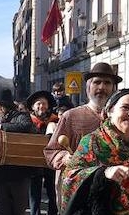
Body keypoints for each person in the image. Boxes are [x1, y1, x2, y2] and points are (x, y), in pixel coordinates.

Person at [44, 62, 121, 206]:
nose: (102, 87)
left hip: (112, 191)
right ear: (88, 87)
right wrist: (66, 157)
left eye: (107, 83)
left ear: (114, 88)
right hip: (78, 190)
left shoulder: (120, 118)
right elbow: (51, 151)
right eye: (97, 82)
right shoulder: (71, 116)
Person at [26, 91, 59, 215]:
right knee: (35, 196)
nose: (41, 106)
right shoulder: (27, 122)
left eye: (44, 103)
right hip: (33, 161)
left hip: (51, 163)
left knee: (54, 195)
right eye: (38, 103)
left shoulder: (56, 121)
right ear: (33, 106)